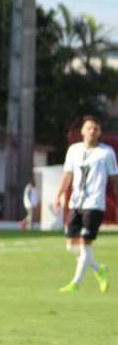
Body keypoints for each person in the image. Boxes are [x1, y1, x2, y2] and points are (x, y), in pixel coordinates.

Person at [55, 115, 117, 292]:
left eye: (96, 129)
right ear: (82, 131)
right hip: (75, 204)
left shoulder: (106, 153)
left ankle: (76, 283)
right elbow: (67, 175)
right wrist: (58, 195)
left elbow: (114, 179)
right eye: (89, 128)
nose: (92, 131)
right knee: (72, 246)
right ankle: (99, 270)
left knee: (85, 243)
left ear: (100, 132)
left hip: (94, 205)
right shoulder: (73, 150)